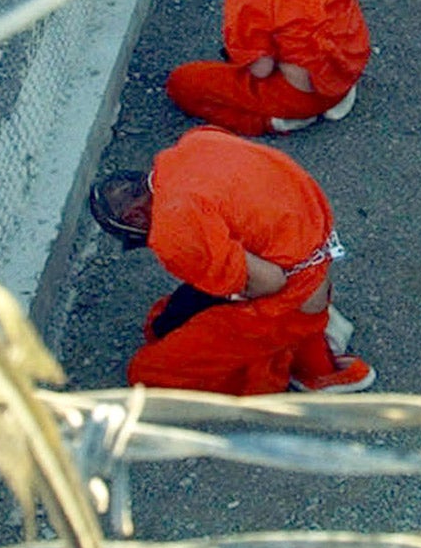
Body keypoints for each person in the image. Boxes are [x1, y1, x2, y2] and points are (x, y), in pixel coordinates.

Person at [88, 127, 375, 395]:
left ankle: (286, 362)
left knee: (147, 371)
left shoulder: (172, 227)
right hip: (313, 259)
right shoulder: (196, 143)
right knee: (162, 319)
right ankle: (309, 332)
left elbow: (270, 282)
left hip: (290, 295)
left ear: (134, 219)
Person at [165, 0, 371, 137]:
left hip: (302, 94)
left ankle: (275, 121)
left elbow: (261, 70)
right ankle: (335, 96)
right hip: (348, 71)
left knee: (182, 82)